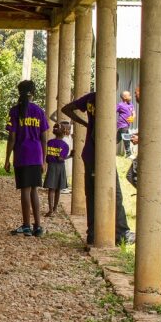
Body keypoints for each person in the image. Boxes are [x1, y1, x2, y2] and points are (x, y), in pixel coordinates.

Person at [62, 90, 136, 247]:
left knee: (91, 195)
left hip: (89, 153)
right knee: (114, 194)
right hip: (100, 155)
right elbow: (97, 131)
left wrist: (85, 123)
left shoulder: (90, 97)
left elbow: (66, 109)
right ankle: (121, 234)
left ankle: (92, 233)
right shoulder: (104, 98)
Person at [3, 80, 49, 236]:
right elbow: (44, 138)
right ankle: (38, 226)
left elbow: (12, 138)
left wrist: (7, 159)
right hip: (36, 155)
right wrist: (43, 160)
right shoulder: (39, 111)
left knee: (25, 190)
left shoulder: (14, 111)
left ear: (19, 92)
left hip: (22, 155)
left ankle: (26, 225)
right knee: (34, 189)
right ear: (33, 93)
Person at [43, 124, 70, 216]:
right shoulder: (65, 145)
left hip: (51, 166)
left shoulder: (49, 142)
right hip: (60, 167)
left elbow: (47, 157)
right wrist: (70, 156)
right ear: (64, 133)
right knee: (58, 189)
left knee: (51, 189)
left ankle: (50, 210)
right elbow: (60, 158)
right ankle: (55, 209)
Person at [117, 91, 135, 158]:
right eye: (129, 95)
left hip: (127, 125)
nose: (131, 96)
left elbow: (134, 113)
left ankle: (108, 145)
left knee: (117, 139)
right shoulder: (120, 105)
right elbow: (113, 111)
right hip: (122, 125)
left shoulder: (131, 104)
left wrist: (133, 117)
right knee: (126, 138)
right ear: (124, 97)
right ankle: (128, 154)